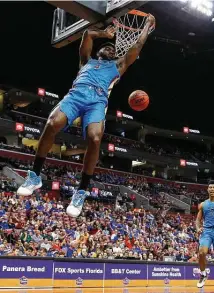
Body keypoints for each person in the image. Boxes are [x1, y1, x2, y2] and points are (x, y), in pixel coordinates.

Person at [17, 14, 156, 218]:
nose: (110, 49)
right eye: (106, 47)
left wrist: (146, 26)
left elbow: (137, 46)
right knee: (51, 123)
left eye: (113, 48)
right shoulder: (86, 61)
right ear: (99, 50)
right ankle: (35, 175)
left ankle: (81, 191)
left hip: (97, 101)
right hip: (76, 95)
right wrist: (104, 33)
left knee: (95, 138)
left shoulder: (118, 66)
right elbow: (87, 34)